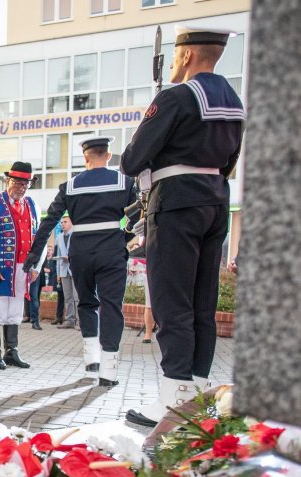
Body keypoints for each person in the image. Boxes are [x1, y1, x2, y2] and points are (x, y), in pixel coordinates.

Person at [120, 25, 244, 427]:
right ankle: (199, 397)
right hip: (214, 199)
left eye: (175, 55)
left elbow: (131, 161)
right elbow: (229, 163)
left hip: (175, 203)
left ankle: (173, 399)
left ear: (188, 55)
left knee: (173, 303)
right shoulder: (234, 101)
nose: (173, 62)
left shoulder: (175, 97)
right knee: (202, 303)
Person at [24, 137, 138, 387]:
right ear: (108, 156)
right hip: (111, 248)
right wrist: (125, 237)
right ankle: (109, 371)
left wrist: (34, 255)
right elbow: (138, 218)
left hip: (81, 249)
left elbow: (49, 220)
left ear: (85, 157)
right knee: (112, 306)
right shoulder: (125, 182)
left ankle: (91, 363)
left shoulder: (70, 185)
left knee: (86, 303)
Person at [0, 161, 42, 370]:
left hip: (24, 267)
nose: (21, 187)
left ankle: (11, 351)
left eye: (25, 184)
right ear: (8, 181)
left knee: (15, 310)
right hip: (1, 266)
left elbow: (38, 238)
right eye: (18, 182)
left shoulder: (33, 206)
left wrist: (36, 266)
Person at [55, 215, 78, 329]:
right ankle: (70, 320)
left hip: (76, 270)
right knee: (67, 297)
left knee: (77, 297)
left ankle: (80, 321)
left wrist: (70, 258)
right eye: (61, 222)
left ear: (71, 223)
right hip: (64, 270)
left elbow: (80, 252)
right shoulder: (59, 237)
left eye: (65, 222)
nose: (62, 224)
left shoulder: (77, 235)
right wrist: (58, 273)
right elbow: (59, 256)